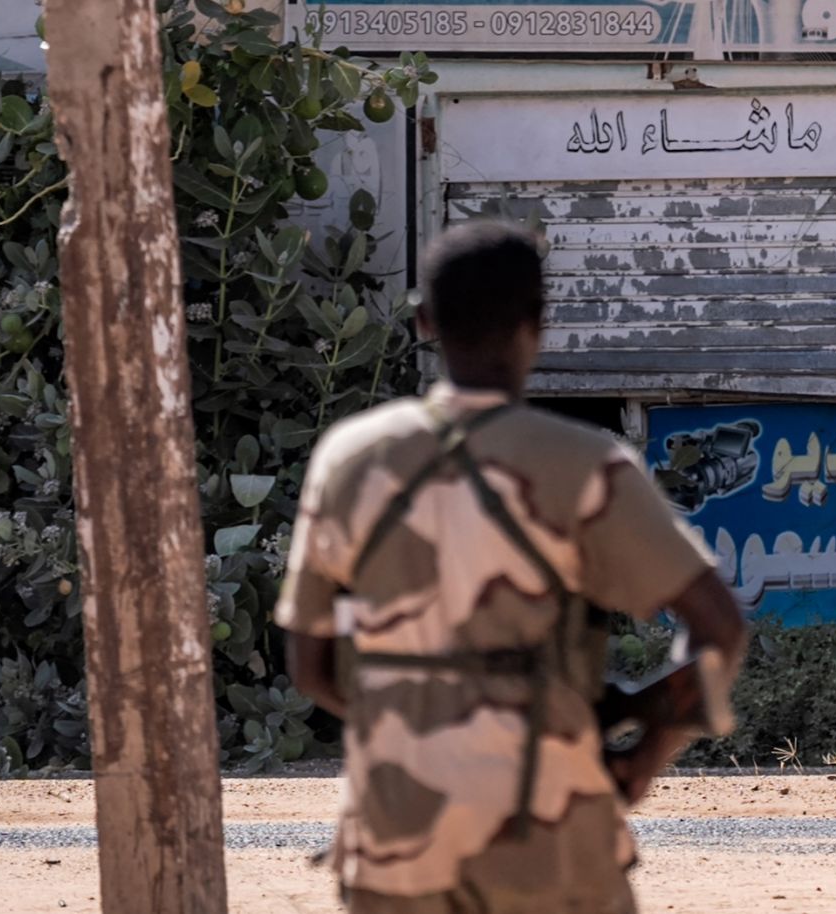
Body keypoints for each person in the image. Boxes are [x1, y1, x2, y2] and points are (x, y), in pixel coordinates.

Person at [277, 220, 748, 914]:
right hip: (549, 831)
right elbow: (721, 628)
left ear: (426, 322)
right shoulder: (585, 466)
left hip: (396, 833)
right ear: (539, 323)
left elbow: (310, 667)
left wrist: (419, 713)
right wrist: (645, 757)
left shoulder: (350, 459)